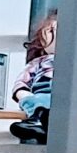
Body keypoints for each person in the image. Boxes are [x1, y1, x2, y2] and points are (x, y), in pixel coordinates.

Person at [13, 8, 56, 143]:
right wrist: (22, 94)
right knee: (32, 100)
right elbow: (22, 82)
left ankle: (39, 121)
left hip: (62, 96)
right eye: (50, 31)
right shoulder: (37, 62)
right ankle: (38, 120)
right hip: (39, 94)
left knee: (50, 101)